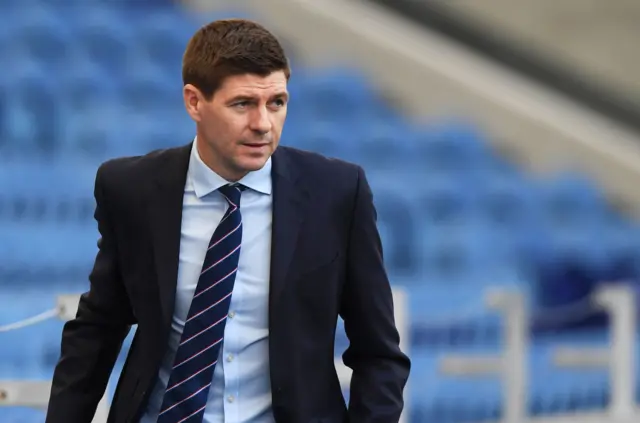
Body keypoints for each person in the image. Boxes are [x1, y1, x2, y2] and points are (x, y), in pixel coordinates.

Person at [45, 18, 410, 423]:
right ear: (194, 102)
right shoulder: (131, 189)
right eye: (243, 104)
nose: (263, 124)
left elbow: (378, 354)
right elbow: (98, 330)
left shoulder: (338, 192)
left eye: (277, 102)